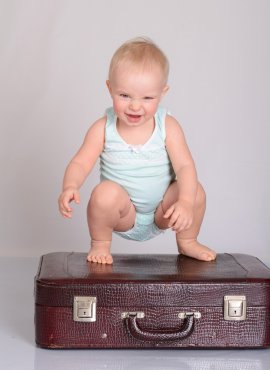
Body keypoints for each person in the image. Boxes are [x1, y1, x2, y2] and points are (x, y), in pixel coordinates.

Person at [58, 37, 216, 265]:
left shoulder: (167, 126)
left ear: (162, 93)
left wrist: (185, 202)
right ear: (109, 88)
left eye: (147, 98)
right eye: (124, 95)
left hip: (164, 211)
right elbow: (80, 163)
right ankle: (100, 244)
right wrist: (70, 186)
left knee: (195, 191)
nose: (135, 105)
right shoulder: (103, 128)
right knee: (104, 194)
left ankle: (188, 240)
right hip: (124, 214)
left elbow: (185, 166)